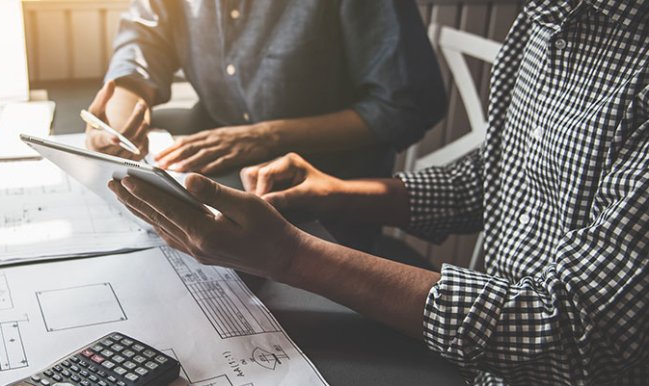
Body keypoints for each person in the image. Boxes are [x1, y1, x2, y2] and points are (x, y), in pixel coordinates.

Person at [108, 1, 649, 384]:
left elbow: (583, 337)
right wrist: (340, 191)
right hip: (464, 346)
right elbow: (492, 179)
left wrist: (293, 255)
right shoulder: (543, 19)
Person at [86, 0, 445, 251]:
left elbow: (405, 106)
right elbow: (142, 45)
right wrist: (118, 124)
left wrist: (266, 136)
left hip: (324, 206)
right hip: (221, 180)